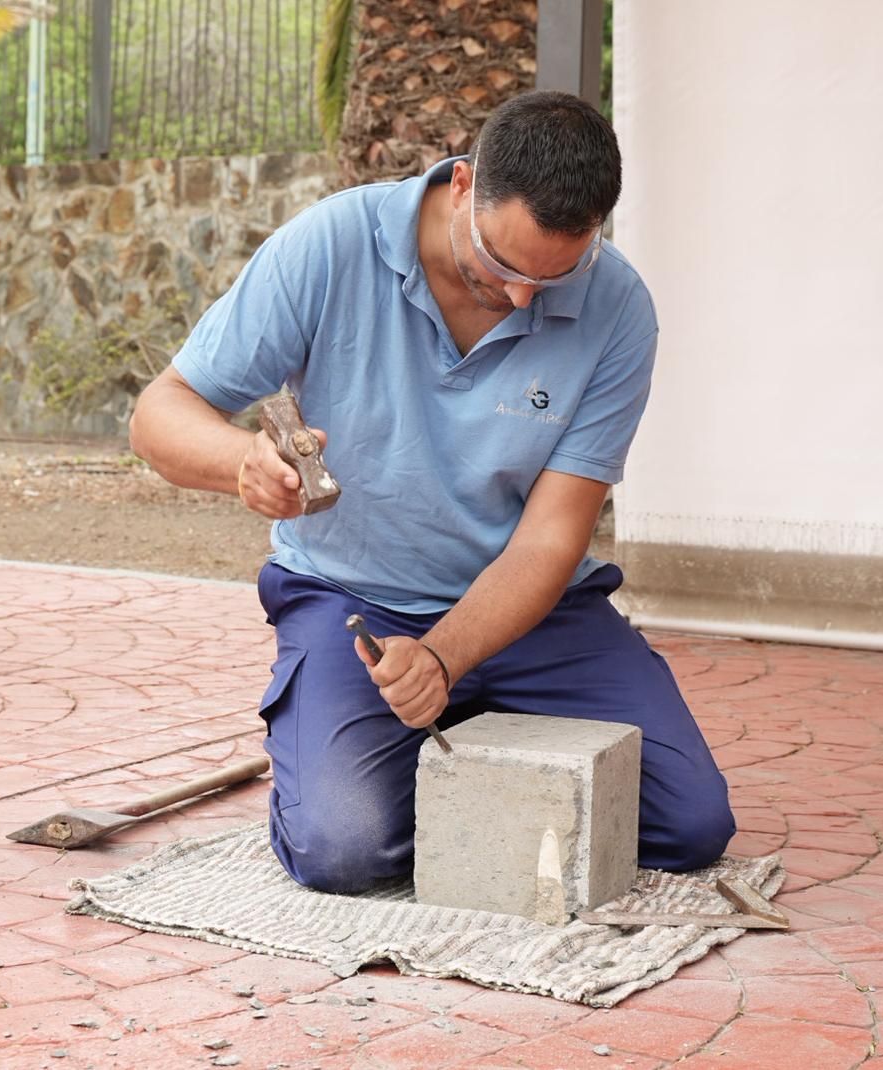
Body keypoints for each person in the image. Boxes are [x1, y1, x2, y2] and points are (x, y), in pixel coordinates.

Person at [130, 90, 734, 893]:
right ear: (461, 186)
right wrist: (241, 460)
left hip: (535, 614)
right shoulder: (329, 246)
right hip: (357, 604)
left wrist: (444, 658)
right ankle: (360, 751)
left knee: (689, 826)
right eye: (503, 266)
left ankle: (454, 722)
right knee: (344, 850)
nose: (523, 298)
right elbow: (159, 414)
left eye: (556, 275)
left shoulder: (619, 307)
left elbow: (551, 541)